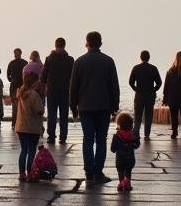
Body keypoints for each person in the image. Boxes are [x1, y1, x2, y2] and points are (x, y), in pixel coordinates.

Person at [70, 31, 121, 184]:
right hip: (103, 107)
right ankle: (98, 172)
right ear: (100, 43)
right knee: (101, 139)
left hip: (85, 107)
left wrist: (73, 107)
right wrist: (115, 106)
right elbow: (114, 86)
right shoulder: (108, 61)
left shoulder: (79, 62)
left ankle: (88, 172)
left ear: (87, 43)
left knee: (88, 139)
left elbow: (74, 87)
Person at [42, 38, 75, 144]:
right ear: (64, 45)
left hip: (52, 91)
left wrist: (44, 88)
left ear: (55, 45)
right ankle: (63, 137)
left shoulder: (49, 59)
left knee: (51, 115)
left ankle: (51, 136)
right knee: (64, 115)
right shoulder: (70, 60)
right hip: (65, 91)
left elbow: (43, 77)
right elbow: (73, 77)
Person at [13, 70, 45, 182]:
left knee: (24, 150)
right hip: (32, 127)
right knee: (31, 151)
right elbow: (39, 111)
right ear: (34, 83)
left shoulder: (21, 93)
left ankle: (22, 174)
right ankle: (30, 173)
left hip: (21, 126)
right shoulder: (34, 95)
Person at [129, 50, 162, 141]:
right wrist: (153, 90)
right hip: (150, 95)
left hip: (139, 95)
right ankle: (147, 133)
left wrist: (136, 89)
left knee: (138, 114)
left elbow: (131, 82)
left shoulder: (136, 68)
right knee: (148, 114)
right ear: (149, 57)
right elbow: (159, 82)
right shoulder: (153, 68)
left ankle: (136, 132)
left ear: (141, 57)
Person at [164, 51, 181, 138]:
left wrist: (165, 97)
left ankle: (174, 132)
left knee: (174, 116)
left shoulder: (171, 70)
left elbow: (166, 85)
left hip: (173, 96)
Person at [111, 112, 139, 191]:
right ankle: (128, 184)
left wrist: (116, 148)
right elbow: (136, 145)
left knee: (120, 171)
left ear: (119, 124)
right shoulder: (133, 135)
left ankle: (121, 183)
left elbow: (112, 149)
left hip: (120, 159)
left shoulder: (116, 136)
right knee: (128, 171)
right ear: (131, 124)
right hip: (130, 158)